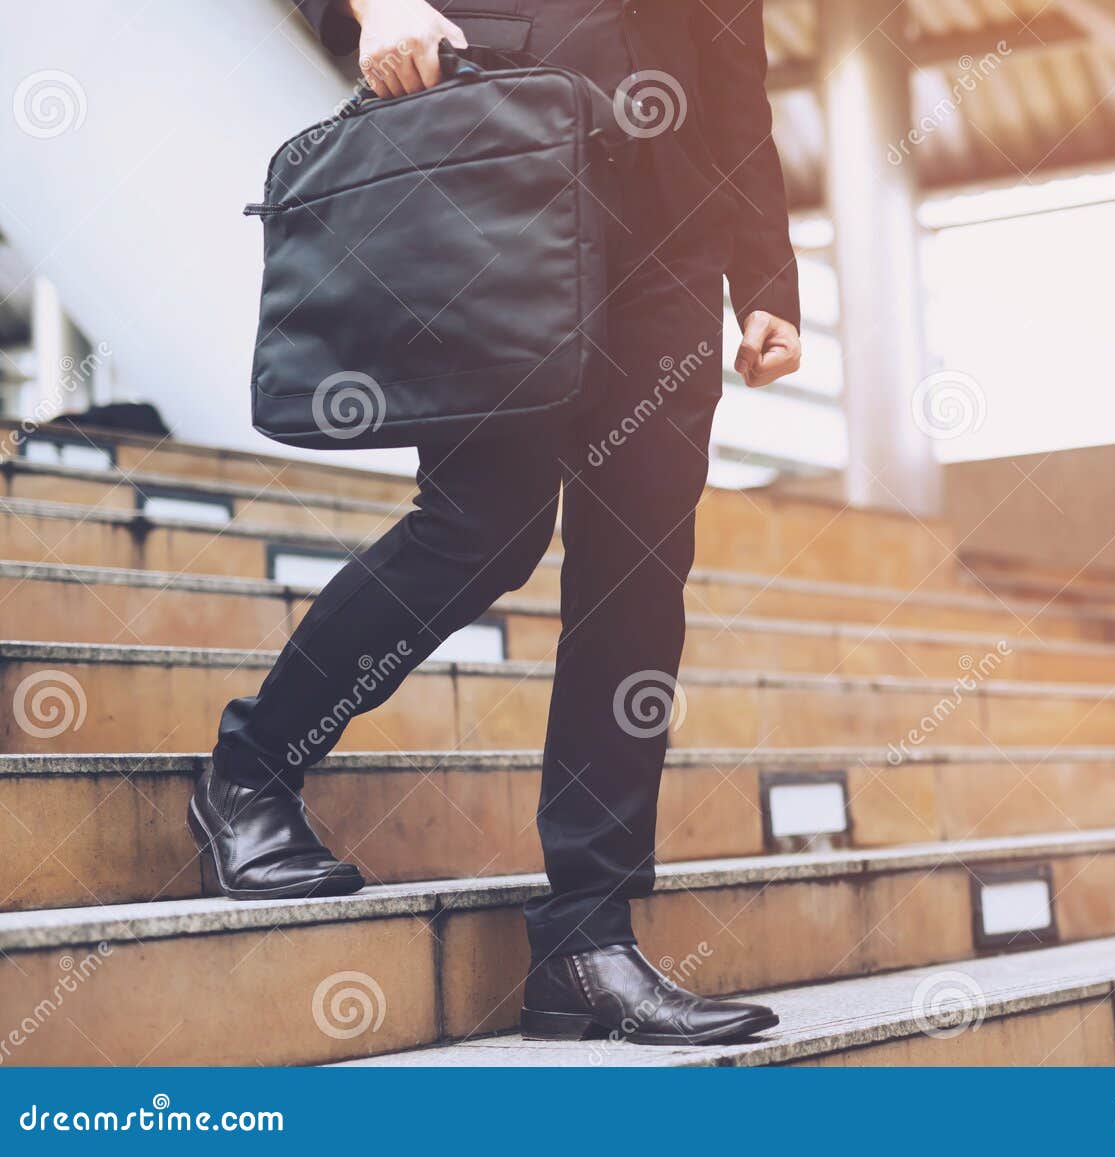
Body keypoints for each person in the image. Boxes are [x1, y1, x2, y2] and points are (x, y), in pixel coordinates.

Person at [188, 0, 802, 1046]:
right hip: (501, 173)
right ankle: (252, 768)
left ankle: (584, 944)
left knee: (637, 576)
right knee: (485, 524)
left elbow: (734, 76)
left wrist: (767, 274)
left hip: (669, 242)